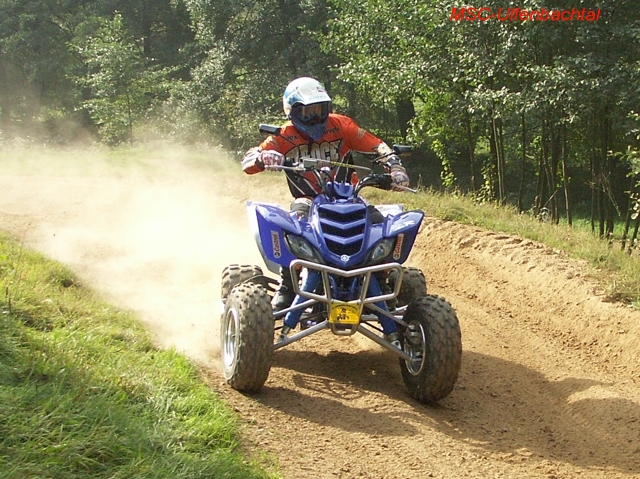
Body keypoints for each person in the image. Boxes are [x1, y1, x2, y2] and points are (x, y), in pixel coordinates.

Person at [241, 77, 410, 315]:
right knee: (290, 227)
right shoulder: (283, 134)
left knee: (381, 228)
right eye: (308, 111)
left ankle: (381, 282)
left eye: (320, 110)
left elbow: (377, 145)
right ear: (292, 110)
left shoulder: (341, 125)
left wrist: (395, 167)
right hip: (308, 199)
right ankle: (288, 284)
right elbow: (249, 161)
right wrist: (263, 158)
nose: (315, 117)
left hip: (349, 197)